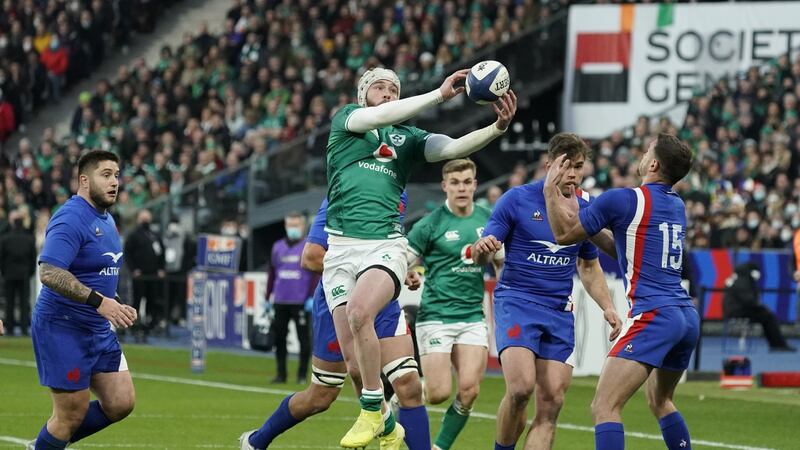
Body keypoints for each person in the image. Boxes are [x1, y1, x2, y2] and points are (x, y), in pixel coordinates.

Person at [325, 66, 517, 448]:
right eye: (379, 87)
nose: (387, 94)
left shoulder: (406, 138)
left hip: (385, 244)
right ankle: (387, 426)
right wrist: (438, 95)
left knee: (360, 312)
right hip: (340, 249)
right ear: (363, 95)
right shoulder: (347, 120)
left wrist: (496, 129)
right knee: (352, 361)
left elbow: (451, 148)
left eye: (394, 89)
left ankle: (369, 409)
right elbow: (379, 116)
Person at [543, 133, 698, 450]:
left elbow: (563, 235)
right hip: (685, 316)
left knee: (604, 406)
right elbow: (629, 252)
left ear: (653, 163)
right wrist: (590, 222)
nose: (642, 155)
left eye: (647, 151)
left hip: (654, 316)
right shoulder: (676, 205)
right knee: (660, 400)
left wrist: (549, 190)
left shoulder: (624, 200)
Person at [240, 195, 431, 450]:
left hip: (381, 297)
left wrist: (392, 270)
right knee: (321, 395)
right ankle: (255, 442)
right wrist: (369, 270)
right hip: (338, 297)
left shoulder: (398, 192)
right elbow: (311, 257)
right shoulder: (343, 192)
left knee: (408, 384)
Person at [472, 133, 622, 450]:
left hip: (558, 311)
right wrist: (482, 249)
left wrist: (607, 306)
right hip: (517, 302)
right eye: (566, 165)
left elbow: (589, 266)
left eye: (578, 166)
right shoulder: (516, 199)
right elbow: (482, 253)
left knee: (552, 400)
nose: (572, 173)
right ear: (549, 164)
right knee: (521, 388)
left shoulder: (584, 209)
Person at [28, 150, 138, 450]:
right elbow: (49, 272)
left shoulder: (107, 219)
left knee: (120, 402)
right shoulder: (70, 218)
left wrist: (114, 301)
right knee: (70, 415)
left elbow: (94, 272)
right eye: (106, 175)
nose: (114, 182)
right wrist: (101, 302)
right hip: (63, 327)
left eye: (117, 175)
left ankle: (44, 444)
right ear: (84, 181)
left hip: (97, 328)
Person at [405, 158, 502, 450]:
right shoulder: (430, 224)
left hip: (472, 315)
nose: (462, 188)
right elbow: (401, 261)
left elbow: (501, 264)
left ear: (475, 184)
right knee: (437, 393)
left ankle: (439, 447)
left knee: (470, 390)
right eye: (455, 183)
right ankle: (401, 398)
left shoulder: (489, 220)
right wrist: (406, 273)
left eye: (467, 182)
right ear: (445, 186)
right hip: (436, 315)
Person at [265, 211, 317, 384]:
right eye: (290, 225)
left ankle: (302, 375)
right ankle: (281, 374)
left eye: (296, 225)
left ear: (302, 226)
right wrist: (267, 297)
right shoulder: (277, 247)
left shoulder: (307, 247)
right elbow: (272, 272)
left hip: (301, 301)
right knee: (279, 338)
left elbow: (315, 274)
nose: (293, 228)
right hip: (280, 300)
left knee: (304, 340)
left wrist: (311, 297)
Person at [724, 262, 796, 352]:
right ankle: (778, 344)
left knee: (766, 315)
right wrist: (760, 307)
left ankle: (777, 343)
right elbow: (748, 300)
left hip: (735, 310)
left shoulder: (738, 278)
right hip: (738, 311)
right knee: (768, 317)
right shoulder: (743, 281)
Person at [124, 209, 166, 339]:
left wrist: (161, 268)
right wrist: (133, 269)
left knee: (152, 300)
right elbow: (128, 253)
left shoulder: (154, 234)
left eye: (147, 218)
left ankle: (149, 324)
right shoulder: (134, 235)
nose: (145, 221)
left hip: (153, 275)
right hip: (140, 275)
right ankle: (134, 324)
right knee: (137, 300)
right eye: (143, 218)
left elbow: (162, 252)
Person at [0, 209, 37, 335]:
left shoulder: (5, 239)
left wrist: (4, 272)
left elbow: (1, 258)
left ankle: (9, 328)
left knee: (9, 302)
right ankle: (23, 328)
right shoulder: (29, 239)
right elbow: (33, 259)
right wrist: (30, 273)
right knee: (24, 302)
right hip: (24, 274)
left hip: (9, 274)